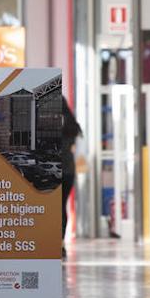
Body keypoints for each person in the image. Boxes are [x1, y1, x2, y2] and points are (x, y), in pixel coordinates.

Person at [59, 99, 81, 253]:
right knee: (61, 207)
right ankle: (61, 244)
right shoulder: (71, 125)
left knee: (54, 208)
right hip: (68, 171)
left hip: (55, 170)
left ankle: (55, 242)